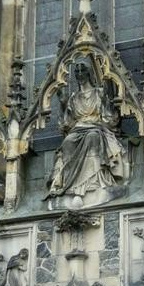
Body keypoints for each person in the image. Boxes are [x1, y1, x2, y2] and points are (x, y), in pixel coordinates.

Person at [47, 61, 127, 206]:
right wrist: (63, 104)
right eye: (76, 72)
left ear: (89, 73)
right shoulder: (73, 98)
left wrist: (106, 101)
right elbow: (67, 124)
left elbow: (110, 119)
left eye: (82, 71)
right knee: (68, 142)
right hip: (78, 128)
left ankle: (93, 182)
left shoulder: (99, 93)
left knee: (92, 137)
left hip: (96, 127)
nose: (80, 74)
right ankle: (71, 185)